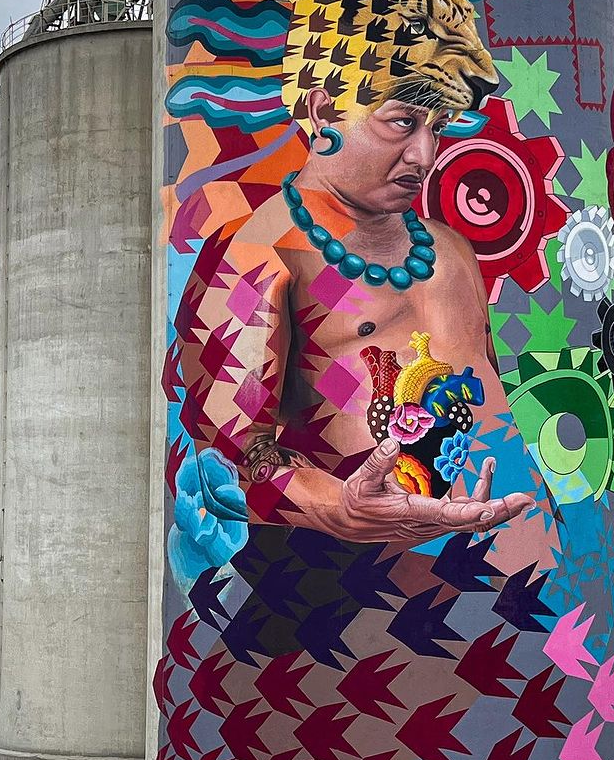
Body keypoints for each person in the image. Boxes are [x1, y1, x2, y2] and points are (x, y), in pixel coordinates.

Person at [175, 81, 545, 555]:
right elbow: (225, 467)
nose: (424, 156)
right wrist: (342, 508)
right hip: (385, 583)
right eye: (403, 122)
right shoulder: (253, 252)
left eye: (437, 128)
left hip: (537, 564)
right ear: (324, 111)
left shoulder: (450, 248)